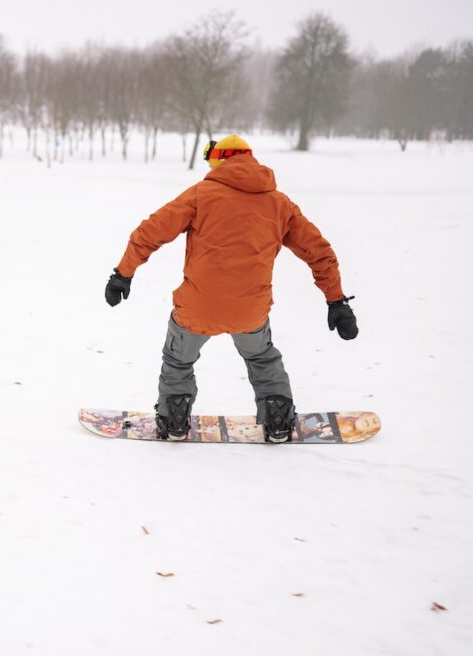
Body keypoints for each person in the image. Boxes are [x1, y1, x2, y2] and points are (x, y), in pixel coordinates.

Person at [104, 134, 358, 443]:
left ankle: (173, 418)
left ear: (220, 161)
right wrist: (336, 301)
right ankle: (277, 418)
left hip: (198, 307)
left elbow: (150, 232)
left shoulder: (200, 195)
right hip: (250, 310)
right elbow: (319, 252)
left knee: (178, 360)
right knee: (262, 358)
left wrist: (122, 274)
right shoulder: (279, 204)